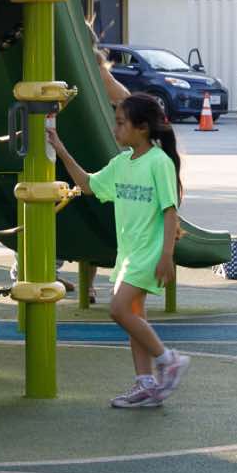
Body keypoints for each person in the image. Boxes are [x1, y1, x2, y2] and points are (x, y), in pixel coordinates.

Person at [46, 93, 190, 409]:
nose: (116, 129)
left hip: (149, 253)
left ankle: (168, 360)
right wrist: (61, 149)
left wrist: (166, 255)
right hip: (128, 254)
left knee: (118, 309)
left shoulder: (159, 162)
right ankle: (146, 384)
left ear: (142, 127)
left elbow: (170, 211)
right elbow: (87, 184)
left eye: (122, 123)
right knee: (133, 314)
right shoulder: (121, 163)